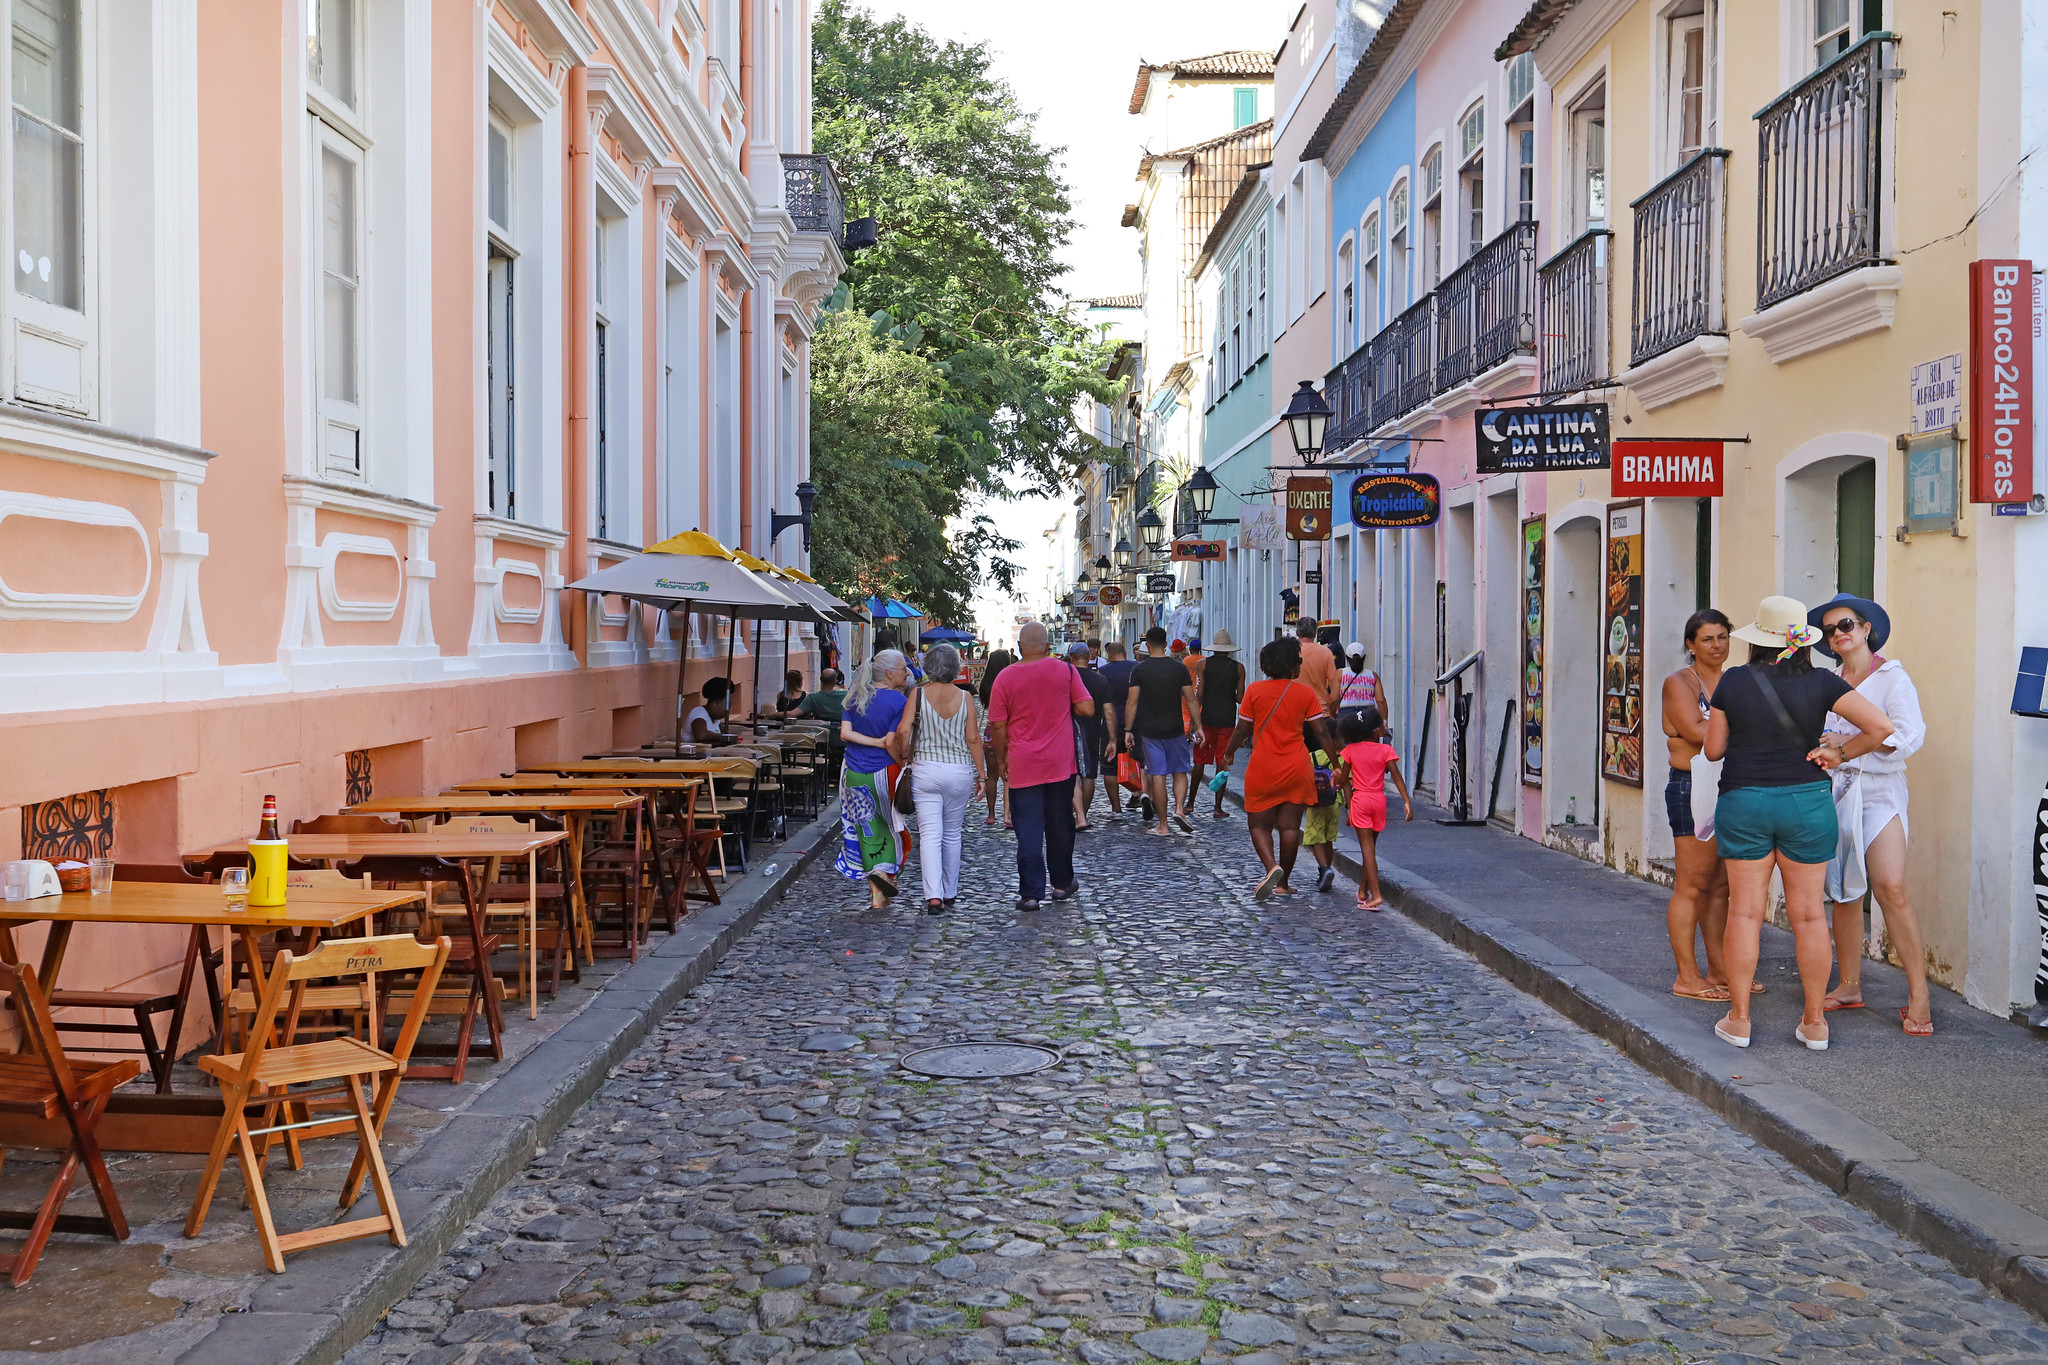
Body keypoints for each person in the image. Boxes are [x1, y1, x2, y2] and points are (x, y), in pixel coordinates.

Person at [1705, 596, 1894, 1051]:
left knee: (1745, 911)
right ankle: (1814, 1023)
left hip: (1744, 800)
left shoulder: (1733, 680)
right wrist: (1840, 753)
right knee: (1810, 915)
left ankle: (1739, 1019)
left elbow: (1713, 751)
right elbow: (1882, 727)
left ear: (1757, 640)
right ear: (1803, 642)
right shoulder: (1823, 683)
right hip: (1807, 805)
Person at [1809, 593, 1932, 1035]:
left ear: (1865, 629)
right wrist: (1827, 741)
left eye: (1845, 625)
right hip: (1837, 790)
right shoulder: (1828, 680)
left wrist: (1846, 745)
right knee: (1844, 890)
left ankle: (1919, 993)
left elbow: (1907, 735)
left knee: (1890, 886)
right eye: (1829, 631)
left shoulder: (1892, 678)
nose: (1838, 634)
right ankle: (1848, 985)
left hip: (1880, 790)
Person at [987, 622, 1094, 911]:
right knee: (1060, 824)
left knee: (1028, 829)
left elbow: (997, 724)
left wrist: (1001, 758)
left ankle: (1031, 893)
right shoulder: (1066, 671)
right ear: (1047, 646)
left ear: (1020, 647)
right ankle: (1061, 884)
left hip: (1023, 764)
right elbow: (1087, 708)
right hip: (1060, 763)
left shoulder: (1005, 678)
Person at [1223, 636, 1336, 902]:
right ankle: (1283, 883)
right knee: (1289, 828)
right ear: (1291, 667)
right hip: (1297, 767)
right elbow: (1321, 731)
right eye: (1298, 661)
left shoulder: (1254, 691)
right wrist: (1337, 763)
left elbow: (1242, 729)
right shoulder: (1306, 693)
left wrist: (1229, 753)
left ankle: (1271, 867)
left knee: (1258, 824)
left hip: (1264, 766)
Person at [1662, 610, 1738, 1002]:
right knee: (1692, 883)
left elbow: (1718, 733)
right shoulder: (1679, 683)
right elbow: (1695, 731)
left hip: (1731, 785)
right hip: (1691, 786)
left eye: (1723, 637)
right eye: (1707, 639)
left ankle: (1721, 970)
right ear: (1691, 644)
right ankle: (1686, 976)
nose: (1717, 646)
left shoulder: (1735, 680)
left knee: (1721, 885)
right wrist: (1749, 726)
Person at [894, 644, 986, 914]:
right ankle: (950, 891)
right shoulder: (966, 697)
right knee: (952, 834)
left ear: (928, 666)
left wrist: (903, 756)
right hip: (958, 770)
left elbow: (903, 730)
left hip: (926, 769)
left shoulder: (918, 694)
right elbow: (973, 738)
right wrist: (982, 775)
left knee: (931, 834)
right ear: (956, 668)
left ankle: (933, 896)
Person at [836, 651, 913, 908]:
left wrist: (874, 742)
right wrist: (902, 762)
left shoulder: (855, 697)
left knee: (866, 828)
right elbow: (892, 741)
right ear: (890, 673)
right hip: (884, 771)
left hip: (852, 773)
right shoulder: (899, 701)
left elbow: (845, 734)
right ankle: (883, 875)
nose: (908, 672)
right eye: (903, 668)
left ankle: (877, 894)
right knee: (891, 828)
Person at [1125, 625, 1200, 836]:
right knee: (1180, 770)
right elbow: (1191, 699)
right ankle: (1179, 809)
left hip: (1150, 731)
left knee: (1157, 775)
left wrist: (1128, 730)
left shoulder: (1139, 670)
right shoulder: (1178, 668)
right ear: (1166, 644)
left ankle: (1163, 825)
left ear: (1147, 645)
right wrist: (1198, 726)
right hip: (1175, 728)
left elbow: (1132, 702)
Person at [1339, 709, 1412, 909]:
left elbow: (1344, 779)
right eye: (1383, 724)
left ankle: (1376, 895)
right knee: (1370, 848)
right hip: (1379, 801)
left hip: (1360, 799)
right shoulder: (1385, 750)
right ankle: (1363, 891)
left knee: (1367, 850)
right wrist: (1406, 801)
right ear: (1376, 730)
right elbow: (1396, 775)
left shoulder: (1350, 751)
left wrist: (1338, 780)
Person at [1190, 629, 1245, 818]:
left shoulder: (1202, 665)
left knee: (1199, 760)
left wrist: (1193, 721)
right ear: (1229, 650)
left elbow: (1200, 694)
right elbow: (1240, 698)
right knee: (1223, 763)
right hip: (1227, 720)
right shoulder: (1238, 668)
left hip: (1206, 719)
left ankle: (1190, 803)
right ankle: (1218, 807)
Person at [1066, 643, 1114, 830]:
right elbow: (1108, 712)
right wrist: (1112, 738)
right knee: (1088, 775)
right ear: (1088, 657)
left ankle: (1075, 814)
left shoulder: (1066, 679)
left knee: (1072, 773)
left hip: (1067, 731)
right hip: (1093, 731)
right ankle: (1083, 814)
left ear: (1071, 657)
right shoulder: (1100, 680)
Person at [1097, 641, 1136, 818]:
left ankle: (1116, 807)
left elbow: (1098, 700)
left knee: (1109, 767)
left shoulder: (1103, 672)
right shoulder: (1136, 667)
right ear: (1124, 652)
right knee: (1139, 762)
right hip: (1134, 722)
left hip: (1110, 723)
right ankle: (1140, 794)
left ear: (1109, 655)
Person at [977, 649, 1015, 827]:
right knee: (1008, 775)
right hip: (1008, 730)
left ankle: (991, 815)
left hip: (990, 731)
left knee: (992, 776)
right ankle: (1007, 815)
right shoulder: (1009, 682)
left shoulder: (985, 685)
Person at [1295, 618, 1340, 715]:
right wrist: (1333, 711)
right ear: (1315, 633)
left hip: (1295, 711)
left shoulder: (1291, 652)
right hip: (1320, 711)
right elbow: (1334, 688)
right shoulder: (1326, 653)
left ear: (1297, 632)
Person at [1336, 643, 1384, 733]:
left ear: (1347, 658)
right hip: (1368, 715)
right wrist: (1384, 723)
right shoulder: (1373, 676)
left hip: (1346, 715)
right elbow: (1381, 701)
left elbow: (1334, 698)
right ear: (1364, 657)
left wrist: (1333, 714)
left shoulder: (1339, 674)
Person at [686, 678, 734, 746]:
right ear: (715, 704)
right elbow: (701, 735)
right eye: (728, 706)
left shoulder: (716, 720)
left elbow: (724, 732)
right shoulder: (699, 712)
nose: (728, 711)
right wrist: (722, 736)